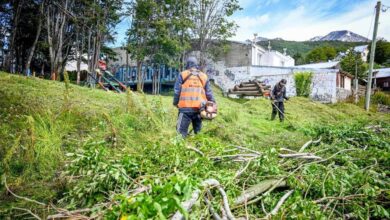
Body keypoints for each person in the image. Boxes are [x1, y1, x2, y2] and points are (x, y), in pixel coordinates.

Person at [173, 57, 215, 138]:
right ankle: (200, 147)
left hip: (185, 109)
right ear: (196, 65)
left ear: (187, 64)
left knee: (180, 134)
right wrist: (213, 104)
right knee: (199, 134)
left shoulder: (182, 74)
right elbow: (209, 93)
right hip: (199, 109)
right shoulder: (204, 76)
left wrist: (175, 103)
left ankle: (181, 148)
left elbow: (177, 91)